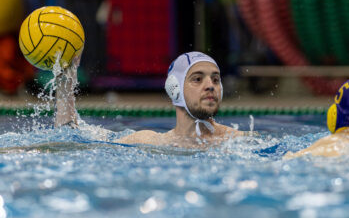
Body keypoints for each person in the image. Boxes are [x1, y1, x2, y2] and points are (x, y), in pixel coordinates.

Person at [55, 51, 244, 148]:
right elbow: (70, 140)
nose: (210, 85)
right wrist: (65, 84)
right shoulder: (149, 141)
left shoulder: (236, 141)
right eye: (197, 79)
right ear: (174, 88)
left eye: (216, 79)